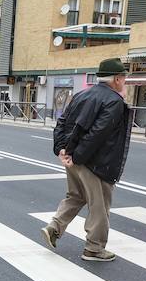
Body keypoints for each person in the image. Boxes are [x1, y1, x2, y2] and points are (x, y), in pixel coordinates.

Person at [41, 57, 132, 262]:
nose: (125, 81)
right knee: (99, 205)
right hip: (96, 162)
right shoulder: (114, 101)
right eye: (124, 78)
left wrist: (62, 150)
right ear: (117, 79)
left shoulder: (82, 94)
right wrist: (77, 156)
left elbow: (62, 122)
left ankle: (54, 228)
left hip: (74, 158)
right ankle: (94, 249)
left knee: (75, 196)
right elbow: (99, 133)